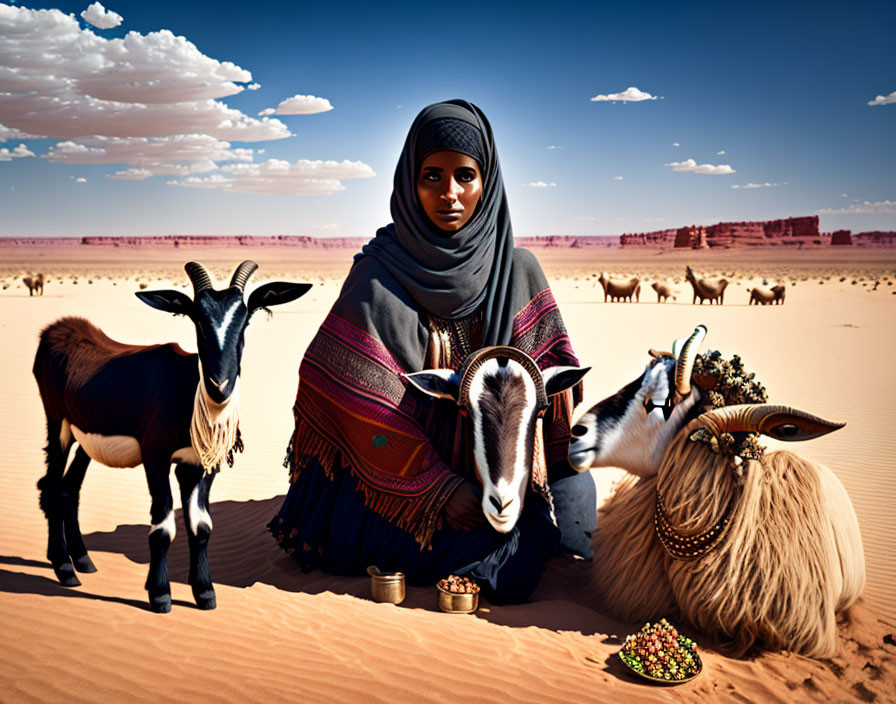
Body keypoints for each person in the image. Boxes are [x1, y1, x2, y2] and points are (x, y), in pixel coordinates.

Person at [268, 100, 593, 603]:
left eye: (465, 176)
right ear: (409, 182)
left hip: (498, 483)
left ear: (488, 183)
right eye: (431, 176)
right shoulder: (376, 280)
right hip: (396, 488)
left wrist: (509, 476)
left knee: (521, 550)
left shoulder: (520, 271)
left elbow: (549, 386)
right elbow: (354, 402)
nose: (449, 195)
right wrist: (438, 489)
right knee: (500, 558)